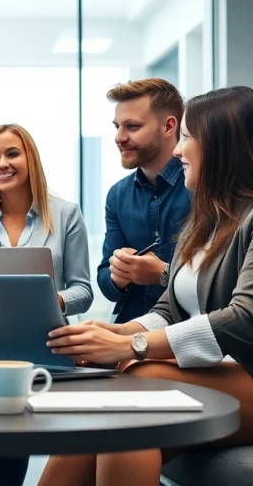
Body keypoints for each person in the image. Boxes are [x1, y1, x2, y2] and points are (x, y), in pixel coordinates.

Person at [38, 86, 253, 486]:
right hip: (243, 372)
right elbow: (170, 310)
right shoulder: (208, 217)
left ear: (223, 144)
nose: (179, 150)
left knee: (140, 382)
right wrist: (111, 333)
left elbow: (246, 319)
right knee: (114, 406)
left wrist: (129, 347)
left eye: (186, 137)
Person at [0, 123, 94, 486]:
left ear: (30, 158)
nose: (2, 163)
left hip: (45, 346)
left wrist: (50, 298)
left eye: (12, 153)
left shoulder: (66, 214)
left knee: (13, 447)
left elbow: (83, 289)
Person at [97, 79, 191, 323]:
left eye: (132, 126)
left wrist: (162, 273)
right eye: (117, 126)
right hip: (129, 333)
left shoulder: (201, 186)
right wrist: (118, 274)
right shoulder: (118, 195)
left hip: (187, 332)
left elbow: (219, 282)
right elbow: (105, 282)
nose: (119, 137)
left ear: (169, 126)